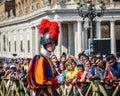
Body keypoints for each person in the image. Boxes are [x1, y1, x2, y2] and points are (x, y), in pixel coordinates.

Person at [27, 19, 64, 96]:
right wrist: (56, 80)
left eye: (53, 43)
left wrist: (60, 77)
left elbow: (54, 74)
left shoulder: (48, 59)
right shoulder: (40, 59)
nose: (52, 45)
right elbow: (40, 81)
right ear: (45, 44)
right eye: (49, 43)